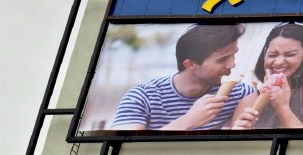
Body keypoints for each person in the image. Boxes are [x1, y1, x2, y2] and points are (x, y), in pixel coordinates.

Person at [108, 20, 257, 131]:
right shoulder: (142, 96)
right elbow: (123, 149)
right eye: (222, 59)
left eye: (233, 55)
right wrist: (188, 120)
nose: (233, 64)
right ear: (190, 64)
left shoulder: (242, 94)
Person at [247, 22, 303, 129]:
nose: (278, 62)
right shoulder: (250, 99)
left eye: (290, 54)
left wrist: (282, 107)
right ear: (265, 52)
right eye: (272, 55)